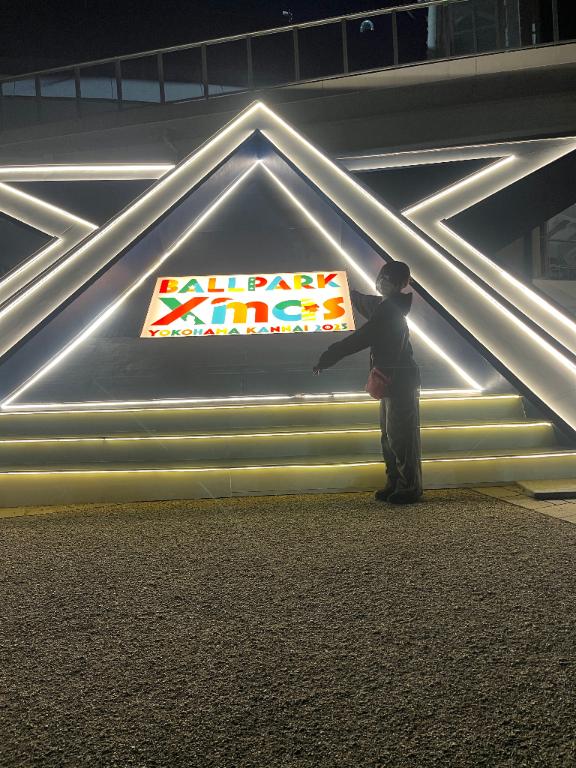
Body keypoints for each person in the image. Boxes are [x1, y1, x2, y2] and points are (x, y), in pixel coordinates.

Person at [313, 261, 422, 504]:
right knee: (390, 436)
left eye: (388, 279)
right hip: (392, 380)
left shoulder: (389, 312)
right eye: (381, 276)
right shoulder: (385, 305)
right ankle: (394, 483)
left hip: (400, 381)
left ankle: (409, 487)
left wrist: (328, 357)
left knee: (400, 437)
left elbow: (359, 339)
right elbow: (364, 301)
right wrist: (346, 291)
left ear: (399, 284)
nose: (381, 282)